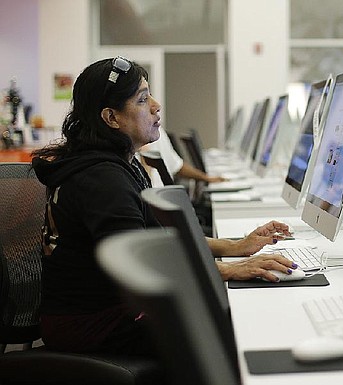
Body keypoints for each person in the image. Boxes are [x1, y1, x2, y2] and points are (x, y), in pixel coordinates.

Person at [31, 57, 296, 356]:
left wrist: (235, 247)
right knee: (236, 326)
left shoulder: (121, 165)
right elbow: (143, 267)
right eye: (143, 99)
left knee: (233, 308)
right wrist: (231, 270)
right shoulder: (102, 179)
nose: (156, 106)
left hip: (107, 310)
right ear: (111, 118)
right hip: (89, 324)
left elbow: (159, 240)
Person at [139, 126, 226, 187]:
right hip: (152, 207)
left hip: (166, 202)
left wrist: (205, 178)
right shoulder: (130, 145)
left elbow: (177, 166)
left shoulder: (157, 131)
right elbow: (144, 190)